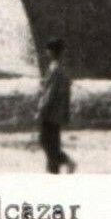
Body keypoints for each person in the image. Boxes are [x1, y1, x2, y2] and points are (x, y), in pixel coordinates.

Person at [37, 38, 76, 174]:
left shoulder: (55, 69)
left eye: (48, 50)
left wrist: (42, 109)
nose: (47, 52)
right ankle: (54, 168)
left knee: (45, 141)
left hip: (50, 112)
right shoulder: (60, 69)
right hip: (57, 112)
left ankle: (64, 162)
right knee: (52, 143)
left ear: (52, 52)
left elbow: (50, 93)